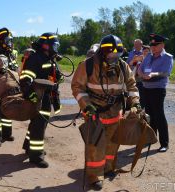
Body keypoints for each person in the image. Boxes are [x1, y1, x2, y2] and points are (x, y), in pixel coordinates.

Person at [71, 34, 140, 190]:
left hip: (116, 113)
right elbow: (77, 87)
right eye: (111, 53)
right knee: (95, 146)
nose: (114, 56)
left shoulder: (123, 66)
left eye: (118, 53)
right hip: (94, 113)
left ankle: (108, 168)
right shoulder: (87, 66)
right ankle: (94, 177)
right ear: (103, 52)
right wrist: (86, 105)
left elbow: (131, 86)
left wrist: (135, 103)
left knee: (113, 144)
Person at [19, 32, 63, 168]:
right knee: (39, 126)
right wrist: (31, 96)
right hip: (39, 97)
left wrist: (58, 77)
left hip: (47, 97)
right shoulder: (35, 58)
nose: (56, 48)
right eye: (54, 45)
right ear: (46, 45)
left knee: (36, 124)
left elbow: (53, 74)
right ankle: (36, 156)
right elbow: (25, 79)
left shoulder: (49, 58)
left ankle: (28, 147)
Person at [138, 33, 174, 153]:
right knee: (149, 114)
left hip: (158, 89)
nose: (152, 47)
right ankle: (151, 138)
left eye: (155, 45)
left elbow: (165, 73)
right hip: (146, 88)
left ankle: (164, 143)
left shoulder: (167, 57)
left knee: (159, 116)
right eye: (151, 45)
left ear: (162, 45)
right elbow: (140, 68)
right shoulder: (148, 56)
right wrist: (142, 74)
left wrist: (153, 74)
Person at [128, 44, 150, 109]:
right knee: (138, 97)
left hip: (145, 81)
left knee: (144, 98)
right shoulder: (139, 59)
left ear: (149, 52)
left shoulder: (150, 60)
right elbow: (130, 64)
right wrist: (134, 59)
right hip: (137, 81)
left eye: (146, 51)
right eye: (144, 51)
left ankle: (144, 111)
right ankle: (139, 111)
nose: (145, 52)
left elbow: (148, 71)